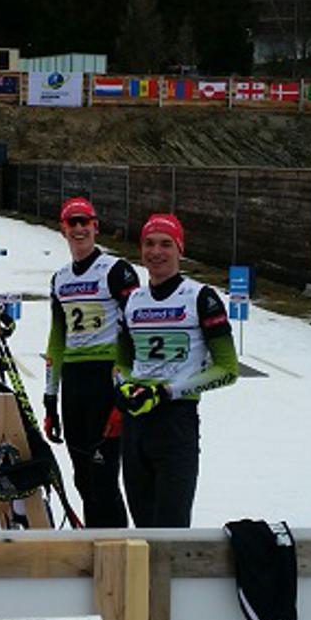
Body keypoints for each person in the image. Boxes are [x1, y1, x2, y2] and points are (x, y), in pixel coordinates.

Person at [115, 213, 239, 527]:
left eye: (166, 244)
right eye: (149, 243)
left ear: (180, 249)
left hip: (176, 422)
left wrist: (167, 391)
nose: (156, 252)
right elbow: (122, 362)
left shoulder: (201, 297)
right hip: (136, 424)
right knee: (143, 526)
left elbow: (227, 369)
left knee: (171, 528)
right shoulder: (133, 300)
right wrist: (125, 386)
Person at [43, 197, 140, 527]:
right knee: (83, 478)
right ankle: (93, 547)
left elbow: (135, 330)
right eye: (73, 223)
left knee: (104, 478)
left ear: (96, 226)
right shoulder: (59, 279)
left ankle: (117, 548)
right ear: (63, 229)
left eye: (86, 222)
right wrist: (49, 397)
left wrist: (124, 388)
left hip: (106, 378)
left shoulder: (116, 270)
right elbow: (57, 337)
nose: (80, 228)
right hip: (73, 380)